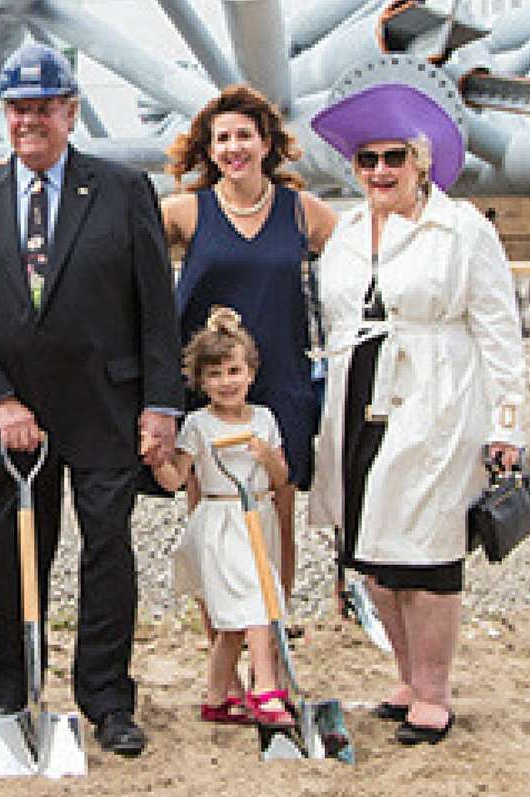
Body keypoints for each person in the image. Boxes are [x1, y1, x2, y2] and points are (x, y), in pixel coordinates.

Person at [0, 40, 183, 759]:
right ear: (3, 116)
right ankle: (10, 694)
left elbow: (155, 310)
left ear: (70, 112)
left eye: (43, 107)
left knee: (107, 554)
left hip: (107, 408)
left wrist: (162, 405)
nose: (30, 121)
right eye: (18, 108)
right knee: (4, 554)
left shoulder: (123, 190)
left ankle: (107, 700)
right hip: (10, 417)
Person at [307, 83, 527, 745]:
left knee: (425, 551)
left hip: (434, 397)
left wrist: (507, 424)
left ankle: (434, 690)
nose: (380, 170)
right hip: (355, 397)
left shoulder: (463, 230)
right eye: (367, 159)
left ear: (421, 161)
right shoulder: (345, 232)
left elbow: (499, 331)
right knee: (369, 550)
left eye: (393, 157)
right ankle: (405, 676)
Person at [163, 84, 336, 640]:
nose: (234, 148)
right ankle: (222, 644)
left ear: (266, 144)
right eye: (222, 139)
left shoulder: (301, 211)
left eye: (244, 136)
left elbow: (366, 250)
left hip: (280, 381)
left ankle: (272, 632)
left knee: (274, 516)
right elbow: (112, 237)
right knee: (212, 516)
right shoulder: (188, 212)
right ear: (208, 150)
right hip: (208, 386)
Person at [151, 309, 295, 728]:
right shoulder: (197, 424)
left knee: (235, 621)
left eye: (234, 371)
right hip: (219, 520)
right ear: (200, 381)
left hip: (257, 516)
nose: (226, 382)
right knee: (255, 604)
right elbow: (175, 478)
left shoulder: (265, 420)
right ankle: (265, 688)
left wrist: (265, 455)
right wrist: (158, 461)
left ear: (250, 372)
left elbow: (282, 476)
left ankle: (217, 698)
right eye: (214, 374)